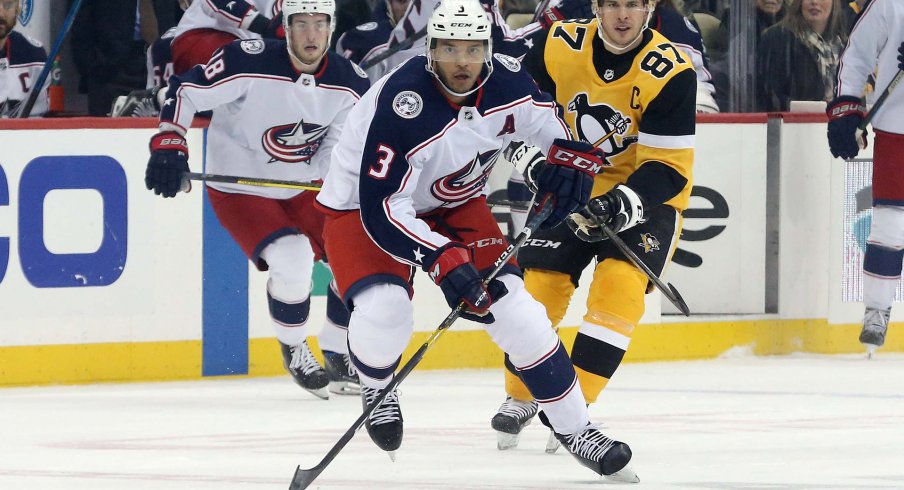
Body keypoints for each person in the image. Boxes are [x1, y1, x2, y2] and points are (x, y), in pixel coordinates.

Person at [315, 0, 638, 481]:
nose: (462, 62)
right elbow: (385, 208)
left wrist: (573, 163)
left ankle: (578, 429)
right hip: (363, 207)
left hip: (455, 201)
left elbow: (552, 128)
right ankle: (378, 385)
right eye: (449, 49)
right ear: (430, 51)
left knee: (517, 311)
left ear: (488, 50)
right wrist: (441, 258)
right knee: (386, 310)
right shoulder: (404, 104)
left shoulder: (507, 82)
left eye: (472, 49)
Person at [491, 0, 696, 454]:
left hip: (648, 197)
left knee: (619, 287)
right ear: (598, 7)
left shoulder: (672, 70)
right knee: (538, 285)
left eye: (634, 5)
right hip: (571, 183)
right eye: (614, 4)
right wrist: (525, 154)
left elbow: (667, 166)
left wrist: (625, 200)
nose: (623, 15)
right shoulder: (555, 44)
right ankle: (523, 394)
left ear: (650, 7)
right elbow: (506, 106)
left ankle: (574, 411)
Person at [144, 0, 370, 397]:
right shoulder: (246, 61)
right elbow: (186, 91)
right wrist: (169, 141)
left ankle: (337, 350)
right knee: (293, 257)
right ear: (285, 26)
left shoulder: (350, 81)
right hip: (241, 190)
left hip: (303, 187)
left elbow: (341, 142)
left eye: (319, 24)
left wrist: (342, 181)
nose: (311, 34)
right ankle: (295, 345)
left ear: (331, 28)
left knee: (355, 253)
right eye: (301, 24)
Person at [826, 0, 904, 356]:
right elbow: (856, 55)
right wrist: (847, 107)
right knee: (889, 225)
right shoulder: (890, 3)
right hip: (897, 128)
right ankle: (876, 311)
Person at [756, 0, 848, 111]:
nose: (814, 2)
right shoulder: (778, 39)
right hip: (794, 125)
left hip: (840, 124)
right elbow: (769, 96)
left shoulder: (845, 45)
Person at [0, 0, 48, 117]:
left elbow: (37, 121)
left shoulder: (33, 54)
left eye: (8, 5)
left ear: (17, 9)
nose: (1, 14)